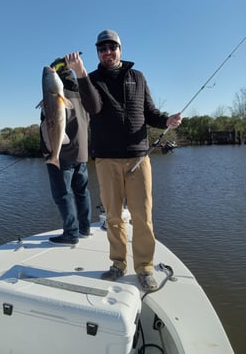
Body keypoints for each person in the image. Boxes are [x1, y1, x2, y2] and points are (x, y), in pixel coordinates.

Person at [65, 30, 181, 290]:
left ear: (120, 48)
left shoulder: (137, 77)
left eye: (112, 47)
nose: (108, 52)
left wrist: (166, 121)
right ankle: (118, 263)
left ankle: (145, 267)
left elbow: (149, 112)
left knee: (143, 217)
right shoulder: (91, 79)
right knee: (114, 217)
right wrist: (81, 74)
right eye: (102, 48)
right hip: (106, 159)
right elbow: (93, 108)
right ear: (97, 53)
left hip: (138, 157)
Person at [40, 57, 91, 246]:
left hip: (62, 153)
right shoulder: (83, 95)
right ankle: (84, 228)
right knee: (82, 192)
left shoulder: (57, 97)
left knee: (63, 194)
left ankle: (71, 233)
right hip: (82, 153)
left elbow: (47, 123)